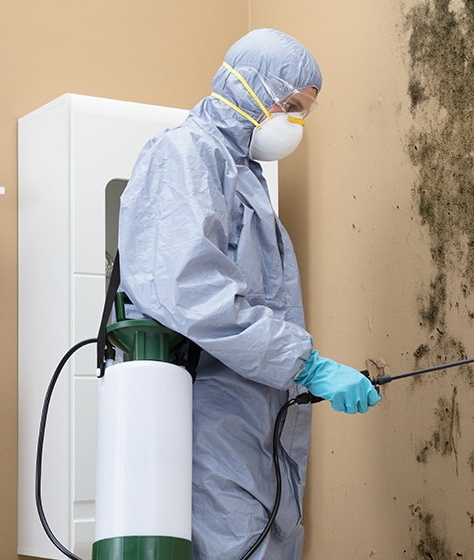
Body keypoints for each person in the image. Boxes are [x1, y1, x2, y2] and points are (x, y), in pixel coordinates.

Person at [117, 28, 381, 560]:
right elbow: (187, 288)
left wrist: (300, 374)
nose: (295, 123)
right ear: (250, 87)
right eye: (291, 106)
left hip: (256, 422)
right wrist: (306, 364)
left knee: (266, 540)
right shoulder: (185, 153)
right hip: (210, 419)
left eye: (304, 112)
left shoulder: (245, 175)